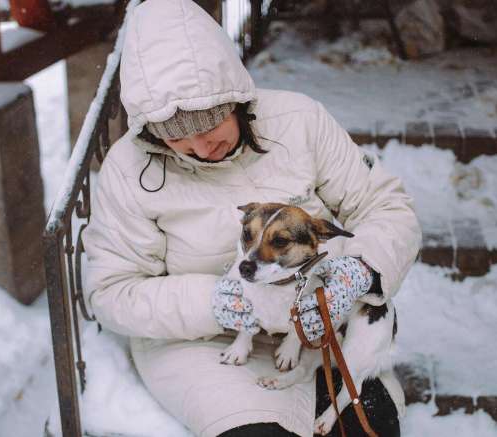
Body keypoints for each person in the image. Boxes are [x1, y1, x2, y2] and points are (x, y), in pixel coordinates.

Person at [82, 0, 422, 436]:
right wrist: (216, 302)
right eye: (178, 140)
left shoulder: (299, 121)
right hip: (204, 346)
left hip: (319, 329)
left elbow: (386, 206)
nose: (201, 147)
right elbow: (112, 292)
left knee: (363, 428)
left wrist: (361, 272)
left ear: (236, 100)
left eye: (210, 127)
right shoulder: (129, 170)